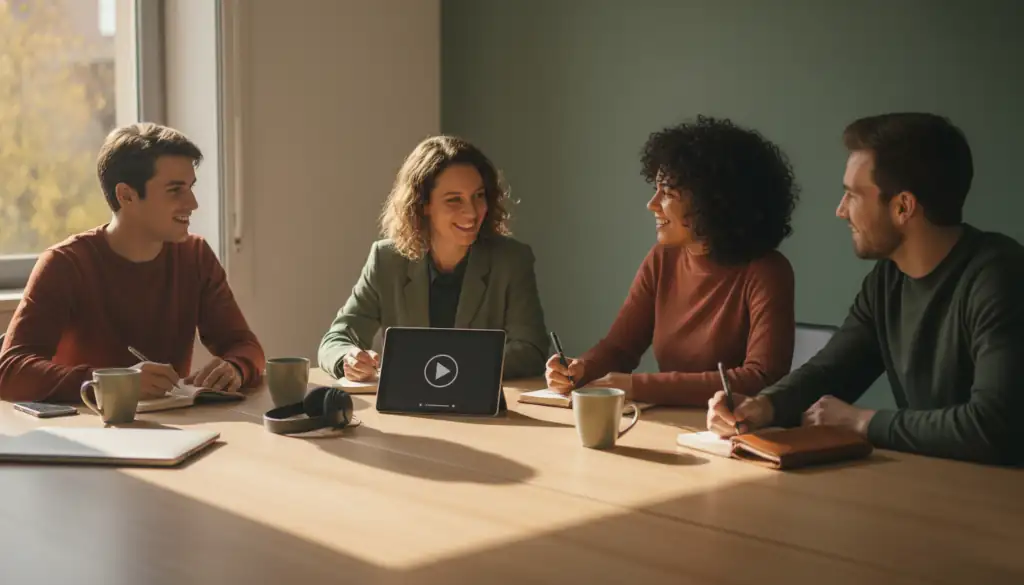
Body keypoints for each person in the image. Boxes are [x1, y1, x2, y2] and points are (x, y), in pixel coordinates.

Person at [707, 113, 1024, 465]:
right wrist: (764, 406)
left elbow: (993, 427)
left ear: (903, 207)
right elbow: (833, 371)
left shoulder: (1000, 277)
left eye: (852, 195)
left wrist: (862, 422)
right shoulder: (888, 279)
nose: (841, 211)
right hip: (937, 479)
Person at [0, 123, 266, 403]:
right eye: (175, 190)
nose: (193, 203)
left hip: (173, 425)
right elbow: (10, 371)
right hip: (87, 426)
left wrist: (236, 367)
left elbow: (244, 346)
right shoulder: (64, 264)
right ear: (126, 195)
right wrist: (114, 383)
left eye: (190, 187)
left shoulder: (195, 256)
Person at [546, 115, 799, 406]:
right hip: (670, 421)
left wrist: (639, 387)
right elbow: (620, 347)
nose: (652, 204)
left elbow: (762, 377)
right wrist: (581, 369)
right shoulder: (662, 258)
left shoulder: (767, 271)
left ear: (710, 202)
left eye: (666, 193)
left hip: (728, 427)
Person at [318, 135, 548, 381]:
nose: (472, 212)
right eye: (454, 200)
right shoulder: (386, 260)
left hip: (478, 400)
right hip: (407, 402)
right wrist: (349, 359)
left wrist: (451, 364)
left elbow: (531, 350)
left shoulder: (512, 260)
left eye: (479, 196)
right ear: (422, 204)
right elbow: (336, 340)